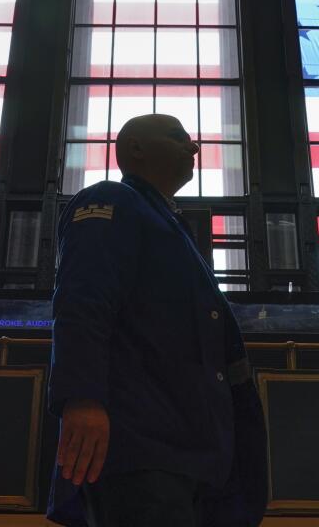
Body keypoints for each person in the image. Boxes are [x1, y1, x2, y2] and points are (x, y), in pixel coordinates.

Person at [46, 114, 268, 527]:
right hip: (142, 443)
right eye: (177, 137)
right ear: (135, 150)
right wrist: (83, 398)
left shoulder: (170, 225)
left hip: (190, 451)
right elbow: (83, 301)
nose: (194, 147)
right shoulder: (113, 200)